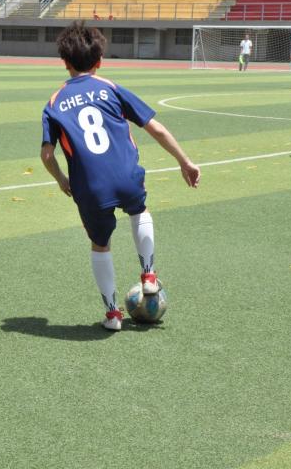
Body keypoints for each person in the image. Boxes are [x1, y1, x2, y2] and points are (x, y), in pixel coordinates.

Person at [39, 22, 200, 331]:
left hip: (89, 186)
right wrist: (185, 161)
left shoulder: (54, 102)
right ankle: (149, 273)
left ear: (65, 62)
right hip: (127, 175)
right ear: (100, 61)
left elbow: (47, 155)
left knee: (100, 244)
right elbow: (155, 128)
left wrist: (61, 180)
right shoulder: (110, 87)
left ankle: (113, 315)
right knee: (139, 211)